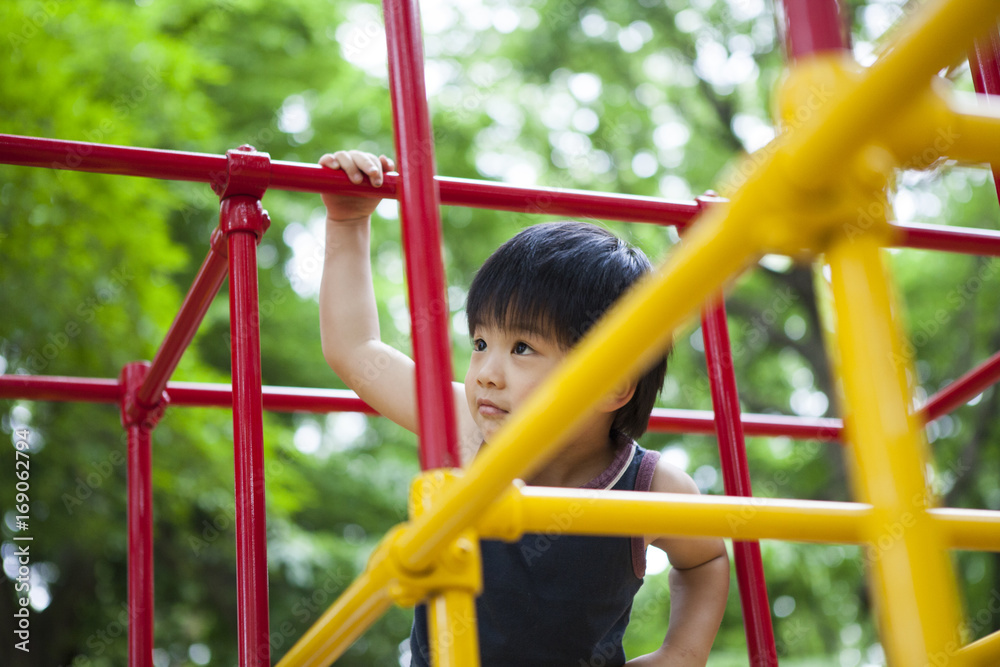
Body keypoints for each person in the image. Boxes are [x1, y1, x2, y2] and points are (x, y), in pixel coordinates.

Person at [318, 149, 730, 667]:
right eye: (480, 343)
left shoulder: (650, 486)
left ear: (611, 386)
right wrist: (349, 221)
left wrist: (682, 654)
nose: (487, 372)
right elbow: (355, 351)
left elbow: (706, 559)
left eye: (522, 349)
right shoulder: (467, 428)